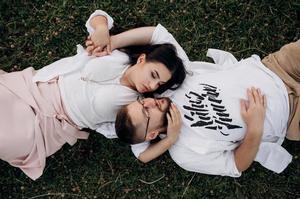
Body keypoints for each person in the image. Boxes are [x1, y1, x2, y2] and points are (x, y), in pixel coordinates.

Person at [0, 10, 188, 180]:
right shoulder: (116, 53)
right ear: (141, 59)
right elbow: (101, 17)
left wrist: (170, 139)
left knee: (7, 138)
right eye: (154, 75)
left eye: (160, 84)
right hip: (35, 87)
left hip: (46, 126)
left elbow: (141, 154)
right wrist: (102, 29)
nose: (153, 85)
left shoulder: (138, 107)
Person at [113, 40, 300, 177]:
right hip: (290, 117)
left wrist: (111, 38)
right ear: (152, 135)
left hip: (276, 67)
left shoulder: (168, 84)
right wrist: (255, 128)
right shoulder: (184, 153)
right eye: (146, 112)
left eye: (141, 102)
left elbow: (156, 34)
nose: (150, 102)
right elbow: (237, 165)